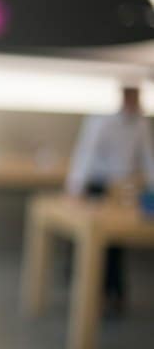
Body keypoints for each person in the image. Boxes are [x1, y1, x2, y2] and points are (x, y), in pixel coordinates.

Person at [65, 80, 154, 313]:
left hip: (123, 187)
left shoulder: (140, 124)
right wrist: (75, 187)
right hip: (98, 185)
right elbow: (85, 154)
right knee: (94, 241)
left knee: (115, 243)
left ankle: (114, 294)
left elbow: (147, 156)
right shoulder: (101, 122)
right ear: (124, 97)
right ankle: (95, 292)